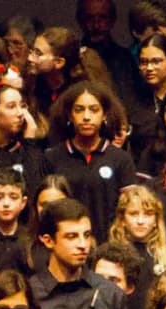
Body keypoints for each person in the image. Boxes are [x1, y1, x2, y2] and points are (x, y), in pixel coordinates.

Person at [43, 80, 137, 238]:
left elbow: (129, 209)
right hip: (66, 244)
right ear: (69, 115)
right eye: (79, 110)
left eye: (94, 110)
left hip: (110, 246)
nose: (86, 117)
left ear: (104, 114)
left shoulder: (121, 159)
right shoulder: (52, 157)